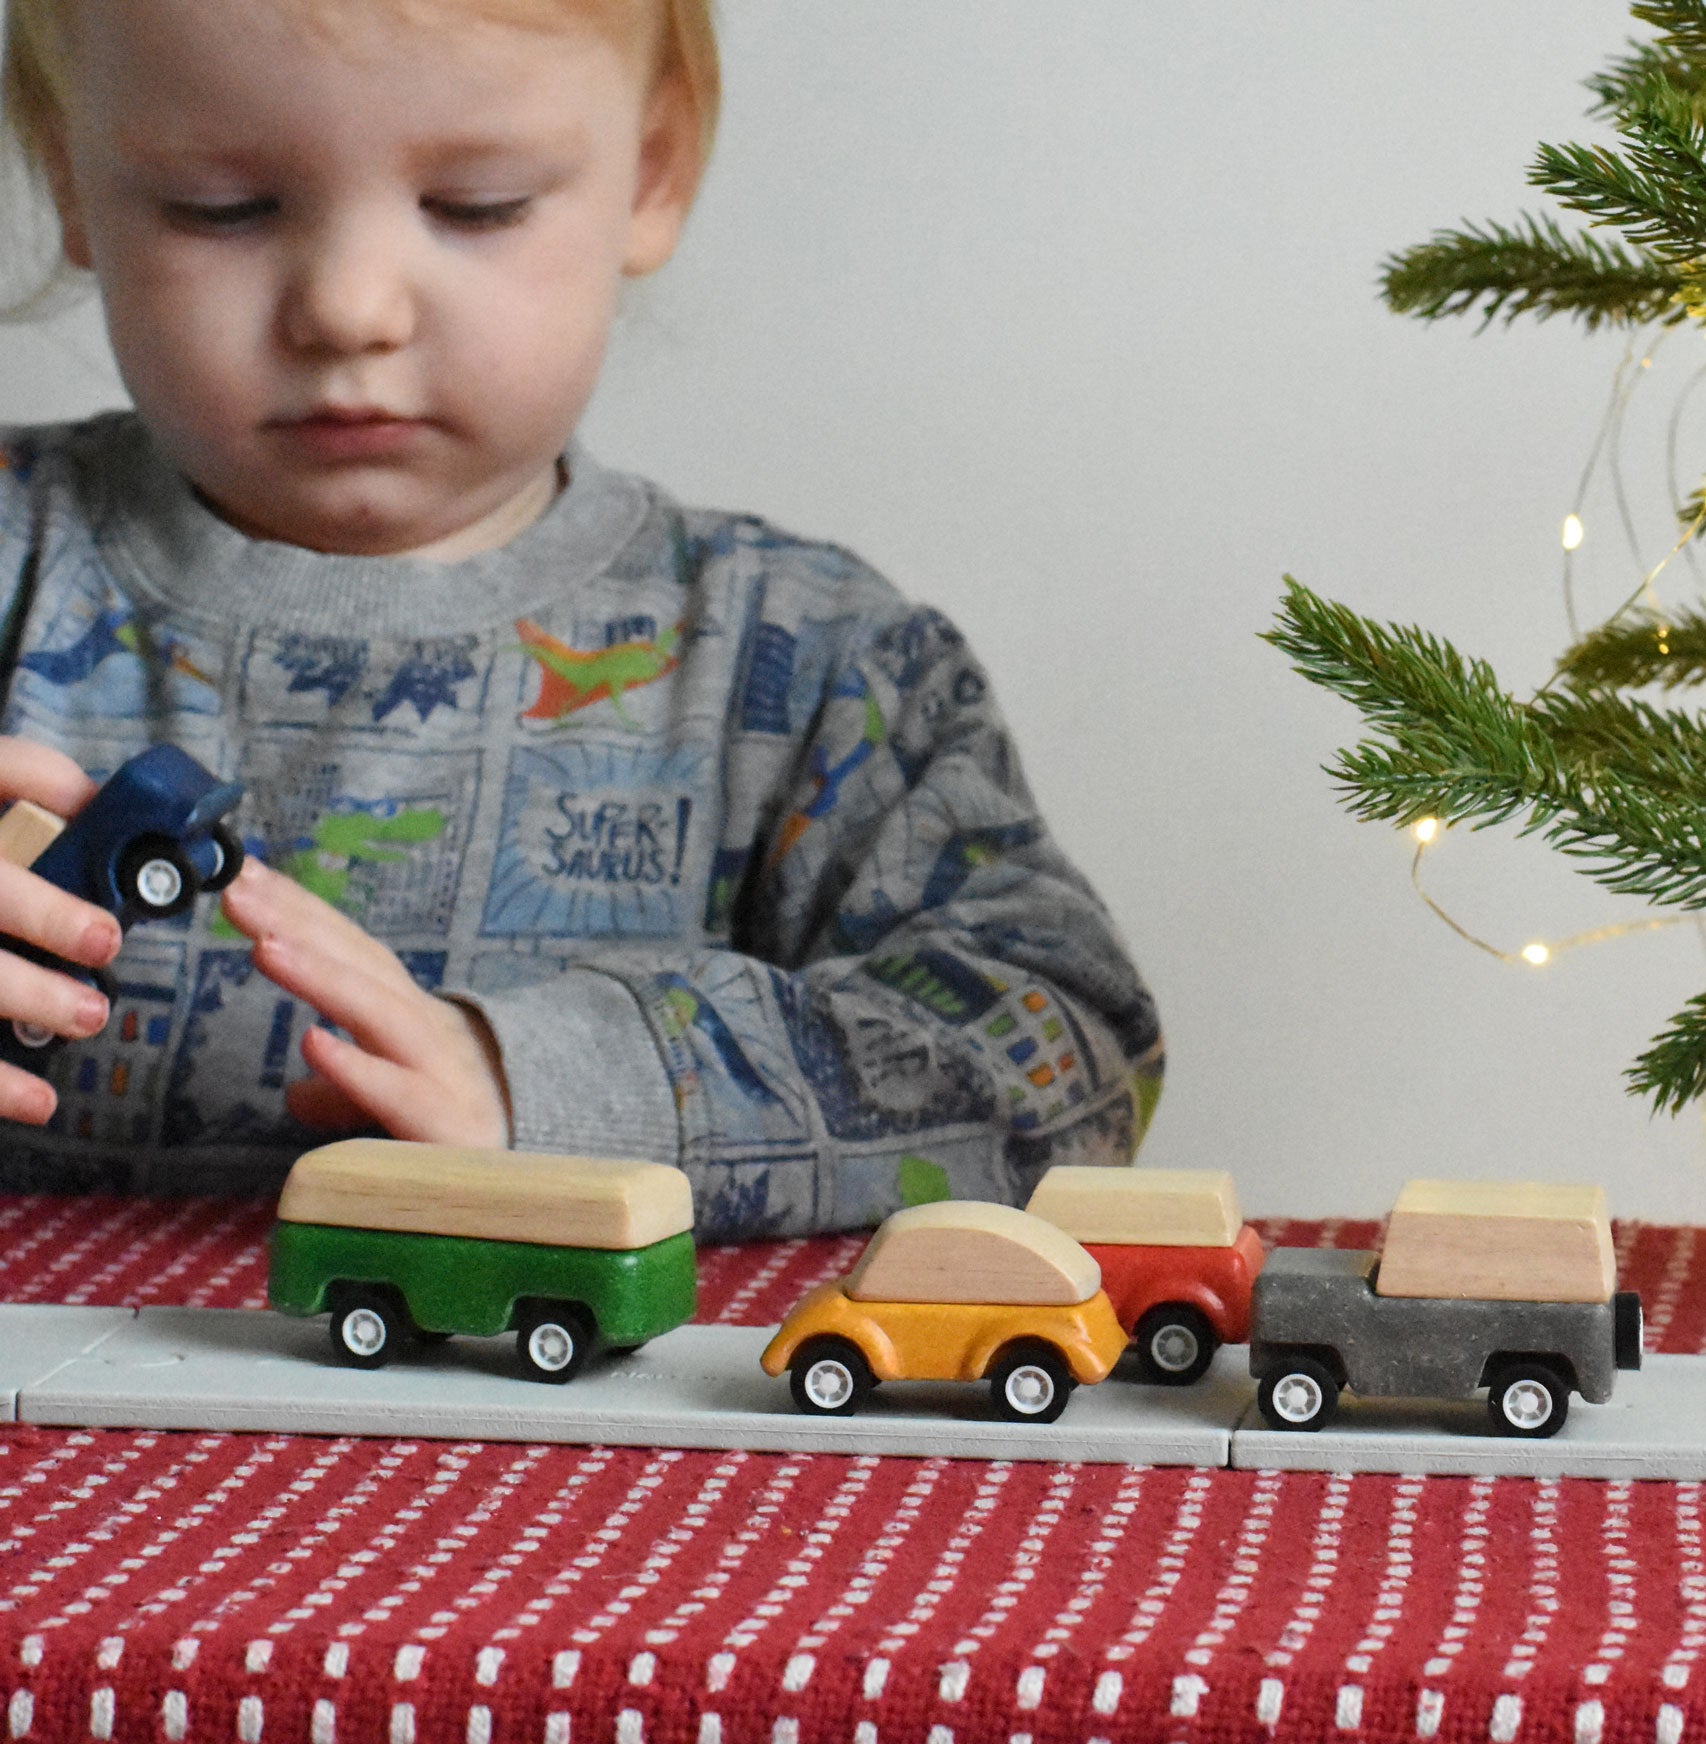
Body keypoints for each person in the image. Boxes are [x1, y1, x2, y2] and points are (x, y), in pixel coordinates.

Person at [0, 0, 1163, 1235]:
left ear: (650, 171)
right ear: (72, 179)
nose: (348, 308)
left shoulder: (810, 662)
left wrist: (565, 1090)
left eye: (478, 205)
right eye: (221, 207)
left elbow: (1071, 1050)